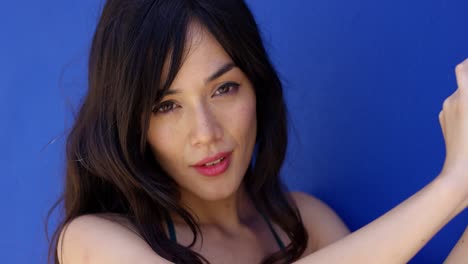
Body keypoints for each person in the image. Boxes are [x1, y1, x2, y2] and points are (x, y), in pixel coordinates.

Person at [48, 0, 468, 263]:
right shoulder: (93, 243)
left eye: (224, 88)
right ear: (132, 120)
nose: (205, 132)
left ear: (257, 87)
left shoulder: (303, 223)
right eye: (166, 105)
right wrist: (450, 188)